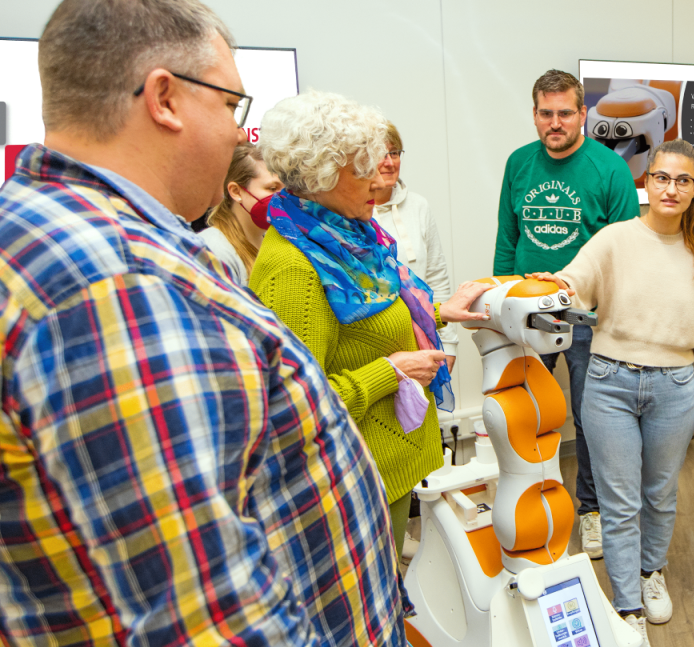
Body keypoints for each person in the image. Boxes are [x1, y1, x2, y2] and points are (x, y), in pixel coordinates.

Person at [0, 2, 413, 645]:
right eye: (229, 106)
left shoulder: (59, 238)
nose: (236, 137)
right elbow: (203, 613)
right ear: (164, 98)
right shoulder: (118, 289)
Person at [249, 90, 490, 557]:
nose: (378, 181)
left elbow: (364, 320)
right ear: (320, 173)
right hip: (360, 475)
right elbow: (291, 406)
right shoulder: (294, 266)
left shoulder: (347, 235)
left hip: (394, 463)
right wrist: (392, 372)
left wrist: (440, 311)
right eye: (363, 167)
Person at [531, 139, 694, 646]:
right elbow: (574, 282)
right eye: (662, 177)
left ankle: (650, 572)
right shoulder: (614, 240)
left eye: (683, 180)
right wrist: (552, 286)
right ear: (647, 181)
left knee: (660, 496)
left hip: (675, 389)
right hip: (609, 385)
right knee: (620, 504)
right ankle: (628, 606)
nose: (671, 187)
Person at [493, 69, 641, 559]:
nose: (554, 123)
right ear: (535, 114)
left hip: (584, 318)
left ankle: (591, 510)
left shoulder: (610, 170)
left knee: (589, 418)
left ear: (582, 114)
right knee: (523, 413)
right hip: (525, 314)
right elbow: (508, 240)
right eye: (545, 113)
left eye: (564, 113)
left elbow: (623, 255)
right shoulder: (518, 164)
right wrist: (500, 305)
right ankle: (528, 500)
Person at [372, 122, 459, 372]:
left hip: (425, 336)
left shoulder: (419, 206)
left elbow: (437, 277)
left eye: (395, 153)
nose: (389, 162)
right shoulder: (353, 214)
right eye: (380, 154)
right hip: (380, 342)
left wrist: (449, 343)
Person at [199, 142, 282, 284]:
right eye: (272, 188)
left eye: (284, 189)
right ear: (236, 192)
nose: (281, 196)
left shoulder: (270, 239)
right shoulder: (212, 249)